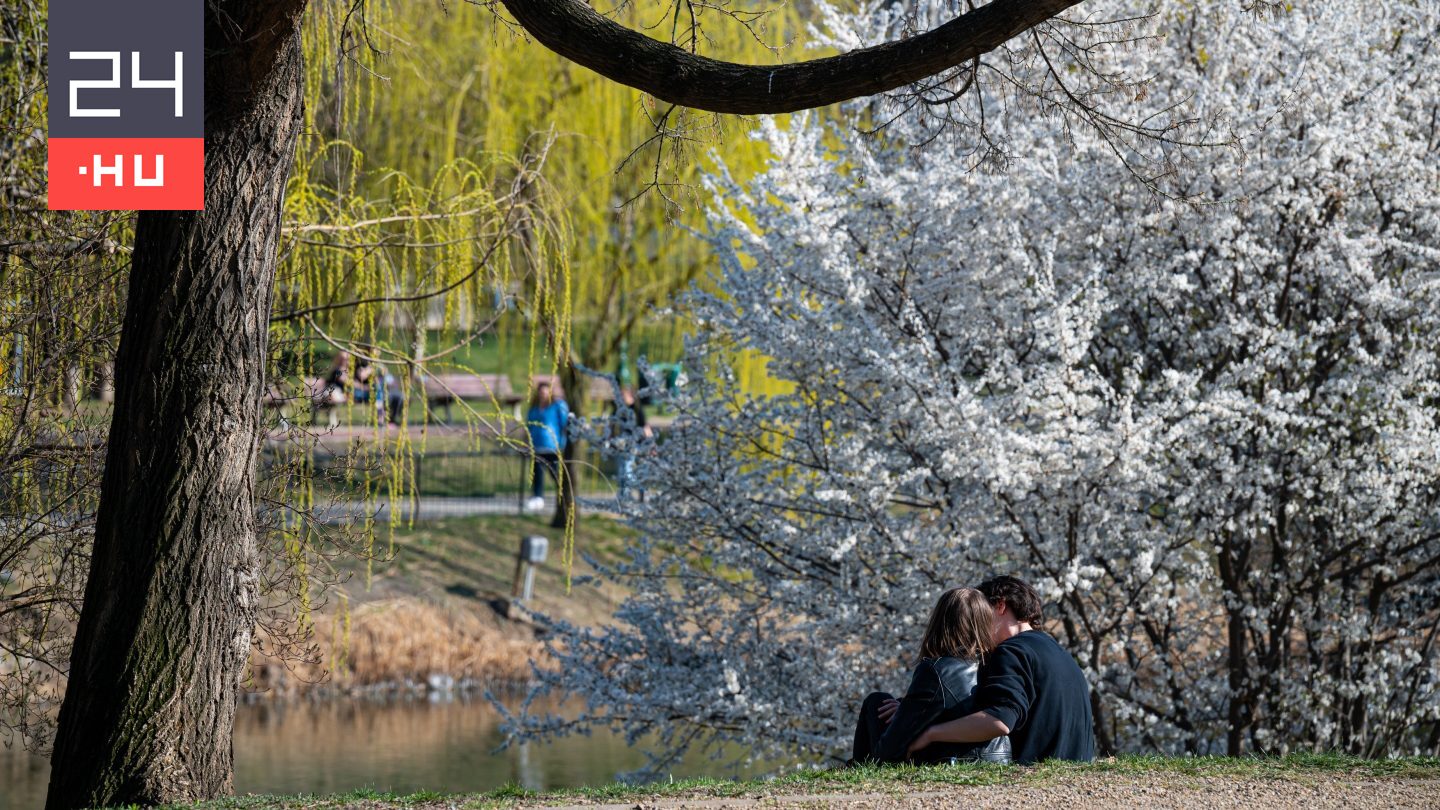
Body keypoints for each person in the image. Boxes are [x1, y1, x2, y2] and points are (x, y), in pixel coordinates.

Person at [907, 576, 1095, 764]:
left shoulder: (1011, 651)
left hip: (1036, 778)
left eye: (982, 613)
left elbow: (999, 720)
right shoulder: (1058, 652)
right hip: (1074, 773)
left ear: (1000, 605)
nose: (977, 625)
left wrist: (931, 733)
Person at [851, 588, 1012, 765]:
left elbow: (889, 750)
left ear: (940, 623)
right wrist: (905, 708)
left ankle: (857, 766)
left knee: (876, 702)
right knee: (893, 705)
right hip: (998, 760)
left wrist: (907, 717)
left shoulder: (937, 670)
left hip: (954, 762)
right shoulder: (999, 663)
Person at [525, 381, 569, 512]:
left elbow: (564, 425)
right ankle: (538, 497)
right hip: (537, 446)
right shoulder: (534, 409)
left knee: (555, 472)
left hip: (552, 446)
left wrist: (562, 443)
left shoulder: (557, 407)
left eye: (545, 392)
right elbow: (529, 426)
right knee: (537, 472)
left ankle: (562, 494)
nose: (543, 395)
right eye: (541, 392)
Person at [612, 387, 651, 499]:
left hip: (635, 444)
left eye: (623, 396)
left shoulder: (637, 410)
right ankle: (624, 494)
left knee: (629, 469)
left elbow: (645, 426)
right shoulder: (618, 410)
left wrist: (650, 444)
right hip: (621, 445)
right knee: (623, 470)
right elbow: (612, 426)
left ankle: (640, 490)